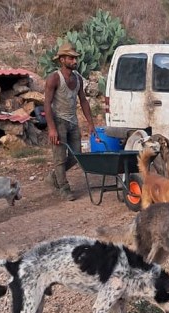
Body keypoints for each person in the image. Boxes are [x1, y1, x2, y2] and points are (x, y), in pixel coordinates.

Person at [43, 42, 97, 201]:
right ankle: (64, 188)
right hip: (58, 121)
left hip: (72, 121)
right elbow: (46, 104)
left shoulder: (78, 78)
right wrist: (52, 128)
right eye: (71, 58)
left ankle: (54, 177)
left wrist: (91, 123)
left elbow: (84, 101)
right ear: (62, 60)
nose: (75, 61)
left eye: (75, 58)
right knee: (59, 157)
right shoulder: (54, 78)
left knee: (77, 156)